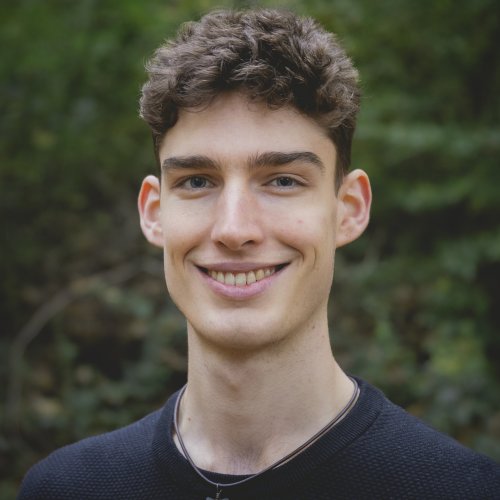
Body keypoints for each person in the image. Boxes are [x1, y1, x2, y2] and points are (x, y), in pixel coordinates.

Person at [18, 8, 500, 500]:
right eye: (197, 181)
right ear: (154, 212)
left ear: (349, 209)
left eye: (283, 181)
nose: (234, 229)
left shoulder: (462, 491)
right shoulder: (65, 490)